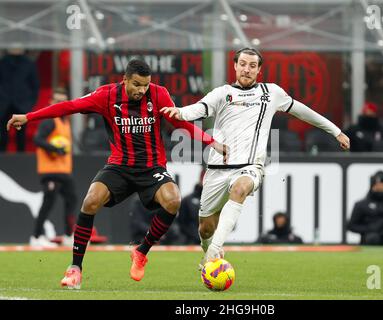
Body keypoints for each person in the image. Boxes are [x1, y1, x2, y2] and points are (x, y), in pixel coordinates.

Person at [7, 59, 227, 289]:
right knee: (91, 200)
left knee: (173, 200)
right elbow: (69, 106)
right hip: (119, 166)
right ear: (125, 80)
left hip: (152, 167)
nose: (142, 91)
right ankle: (75, 269)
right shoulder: (106, 96)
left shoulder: (159, 94)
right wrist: (29, 117)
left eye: (145, 86)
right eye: (137, 85)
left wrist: (211, 141)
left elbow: (180, 123)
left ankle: (141, 251)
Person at [161, 47, 350, 267]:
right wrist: (181, 112)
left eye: (252, 66)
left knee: (240, 189)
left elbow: (303, 111)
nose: (247, 69)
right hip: (217, 169)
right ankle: (209, 247)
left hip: (250, 167)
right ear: (235, 66)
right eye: (242, 64)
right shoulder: (222, 93)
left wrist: (335, 130)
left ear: (259, 70)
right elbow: (200, 108)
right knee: (205, 228)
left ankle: (213, 252)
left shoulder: (271, 93)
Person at [30, 88, 77, 248]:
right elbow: (37, 139)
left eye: (63, 101)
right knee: (48, 202)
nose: (60, 104)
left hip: (64, 171)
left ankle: (68, 236)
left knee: (72, 199)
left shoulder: (65, 121)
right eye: (57, 100)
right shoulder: (50, 120)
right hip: (50, 170)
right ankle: (36, 237)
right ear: (51, 102)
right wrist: (55, 149)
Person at [0, 47, 39, 152]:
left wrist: (30, 103)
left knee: (21, 134)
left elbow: (34, 85)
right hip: (3, 103)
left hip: (22, 103)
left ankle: (21, 157)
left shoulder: (29, 64)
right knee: (2, 133)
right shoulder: (2, 62)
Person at [177, 168, 206, 245]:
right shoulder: (187, 200)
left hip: (212, 241)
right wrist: (196, 236)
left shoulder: (216, 200)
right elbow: (181, 222)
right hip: (191, 240)